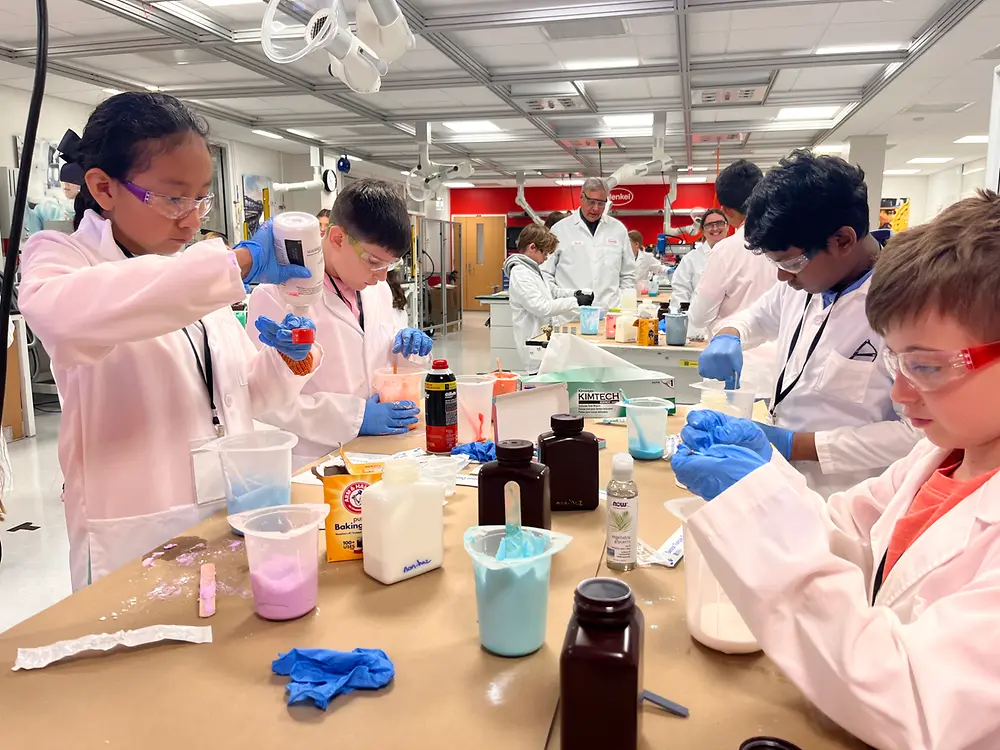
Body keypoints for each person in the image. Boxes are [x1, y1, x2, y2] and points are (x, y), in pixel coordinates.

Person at [671, 189, 1000, 750]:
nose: (900, 389)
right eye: (896, 362)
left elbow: (916, 704)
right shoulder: (942, 456)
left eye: (924, 366)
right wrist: (760, 481)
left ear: (844, 240)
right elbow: (844, 533)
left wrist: (783, 462)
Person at [18, 93, 319, 590]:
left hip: (232, 508)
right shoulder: (60, 257)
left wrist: (287, 358)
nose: (192, 217)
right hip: (138, 528)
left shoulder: (193, 271)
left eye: (202, 197)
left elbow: (246, 395)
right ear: (103, 187)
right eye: (173, 197)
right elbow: (68, 316)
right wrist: (235, 264)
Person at [698, 150, 922, 496]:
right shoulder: (805, 284)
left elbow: (917, 435)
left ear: (843, 240)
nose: (782, 276)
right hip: (788, 485)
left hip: (852, 496)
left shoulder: (906, 309)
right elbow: (756, 317)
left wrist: (796, 445)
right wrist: (728, 335)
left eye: (791, 261)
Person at [248, 179, 431, 467]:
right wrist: (356, 417)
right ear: (336, 238)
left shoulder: (376, 289)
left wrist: (407, 350)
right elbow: (265, 404)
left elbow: (376, 360)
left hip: (377, 449)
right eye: (373, 262)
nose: (382, 276)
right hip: (313, 460)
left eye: (389, 265)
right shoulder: (277, 296)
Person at [687, 160, 777, 335]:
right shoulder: (790, 239)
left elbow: (699, 317)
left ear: (726, 211)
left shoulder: (725, 251)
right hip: (785, 354)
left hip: (736, 353)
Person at [542, 177, 636, 323]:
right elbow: (546, 274)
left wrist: (622, 304)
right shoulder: (559, 230)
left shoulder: (618, 230)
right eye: (591, 202)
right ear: (581, 197)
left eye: (601, 203)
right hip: (569, 316)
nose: (596, 208)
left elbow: (628, 274)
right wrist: (561, 300)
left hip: (608, 315)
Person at [505, 224, 592, 370]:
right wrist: (575, 302)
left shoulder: (533, 269)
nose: (546, 258)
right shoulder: (520, 273)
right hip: (534, 345)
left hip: (545, 340)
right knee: (542, 387)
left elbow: (552, 291)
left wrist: (576, 293)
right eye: (545, 253)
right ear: (532, 247)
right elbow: (541, 308)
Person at [670, 208, 728, 336]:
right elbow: (680, 293)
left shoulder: (737, 255)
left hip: (730, 327)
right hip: (697, 331)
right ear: (702, 230)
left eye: (719, 223)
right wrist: (677, 324)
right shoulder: (691, 259)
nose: (715, 228)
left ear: (727, 226)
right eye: (709, 225)